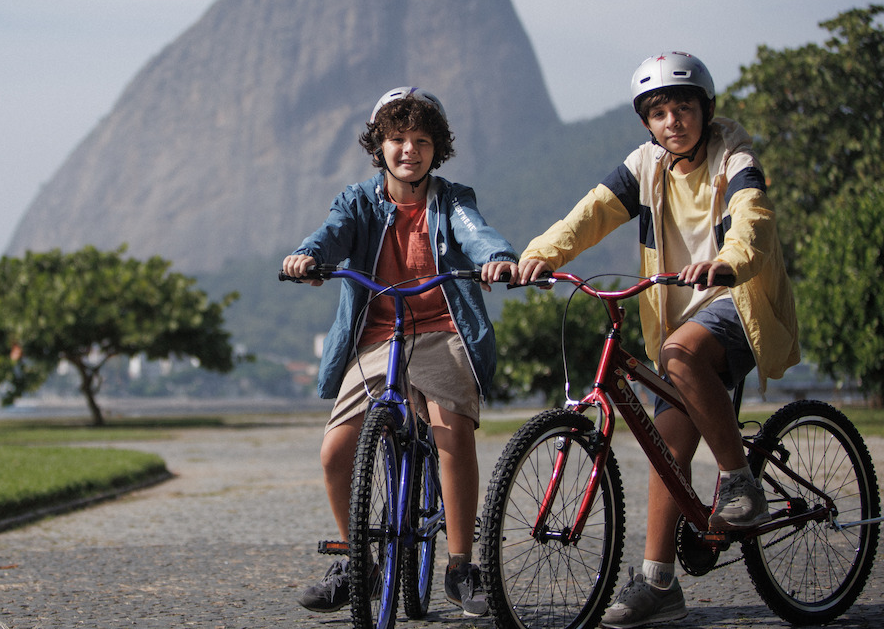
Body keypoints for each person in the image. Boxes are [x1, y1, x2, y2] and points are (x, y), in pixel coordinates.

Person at [515, 52, 799, 628]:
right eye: (660, 112)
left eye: (684, 107)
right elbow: (592, 213)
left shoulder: (733, 157)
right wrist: (542, 252)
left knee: (680, 353)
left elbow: (753, 217)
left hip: (734, 303)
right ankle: (658, 584)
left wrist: (728, 260)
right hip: (674, 315)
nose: (674, 121)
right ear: (647, 122)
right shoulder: (644, 166)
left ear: (706, 109)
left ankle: (740, 480)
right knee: (665, 452)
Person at [283, 87, 518, 618]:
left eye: (422, 140)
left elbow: (474, 235)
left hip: (441, 330)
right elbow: (332, 233)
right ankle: (354, 563)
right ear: (378, 146)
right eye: (397, 140)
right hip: (377, 337)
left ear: (438, 149)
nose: (409, 150)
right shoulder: (358, 201)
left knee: (449, 429)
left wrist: (498, 259)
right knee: (335, 452)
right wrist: (307, 256)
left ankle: (461, 566)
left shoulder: (452, 199)